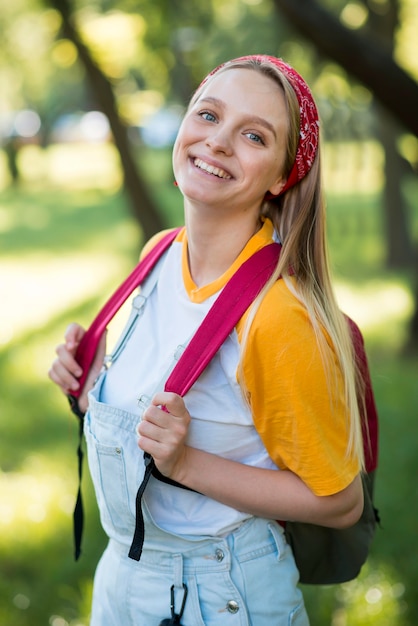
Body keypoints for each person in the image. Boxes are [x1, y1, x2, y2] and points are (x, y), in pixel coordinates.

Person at [49, 55, 365, 625]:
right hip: (124, 574)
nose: (217, 141)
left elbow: (340, 501)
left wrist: (186, 462)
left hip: (220, 592)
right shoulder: (158, 255)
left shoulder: (277, 315)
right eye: (208, 114)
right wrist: (89, 382)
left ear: (280, 176)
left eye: (252, 135)